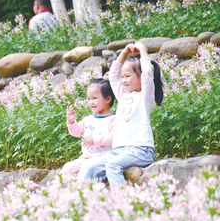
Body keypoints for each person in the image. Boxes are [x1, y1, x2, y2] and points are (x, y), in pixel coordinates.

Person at [83, 41, 164, 187]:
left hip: (141, 149)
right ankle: (92, 204)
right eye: (123, 76)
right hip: (120, 150)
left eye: (128, 76)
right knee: (91, 168)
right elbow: (113, 75)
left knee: (112, 166)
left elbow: (147, 75)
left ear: (140, 78)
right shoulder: (123, 96)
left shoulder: (145, 98)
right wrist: (125, 52)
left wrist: (143, 50)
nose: (124, 80)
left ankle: (124, 203)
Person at [61, 78, 116, 179]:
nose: (91, 102)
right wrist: (71, 122)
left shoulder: (113, 120)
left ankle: (81, 192)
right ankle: (66, 192)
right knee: (66, 168)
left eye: (94, 98)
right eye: (89, 99)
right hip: (85, 157)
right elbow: (77, 132)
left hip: (102, 158)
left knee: (84, 171)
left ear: (108, 99)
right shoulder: (88, 119)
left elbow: (114, 138)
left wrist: (95, 140)